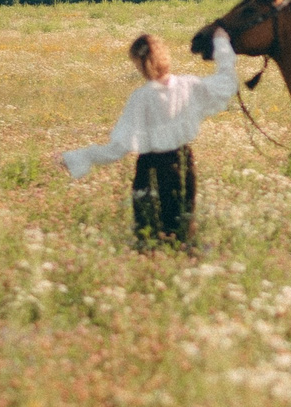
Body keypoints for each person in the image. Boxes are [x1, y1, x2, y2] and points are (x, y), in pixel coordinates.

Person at [61, 27, 238, 248]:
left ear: (140, 63)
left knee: (149, 238)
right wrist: (222, 42)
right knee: (181, 233)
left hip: (150, 170)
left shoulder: (141, 98)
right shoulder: (189, 86)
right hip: (182, 165)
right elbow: (227, 81)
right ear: (164, 56)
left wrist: (76, 157)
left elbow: (117, 148)